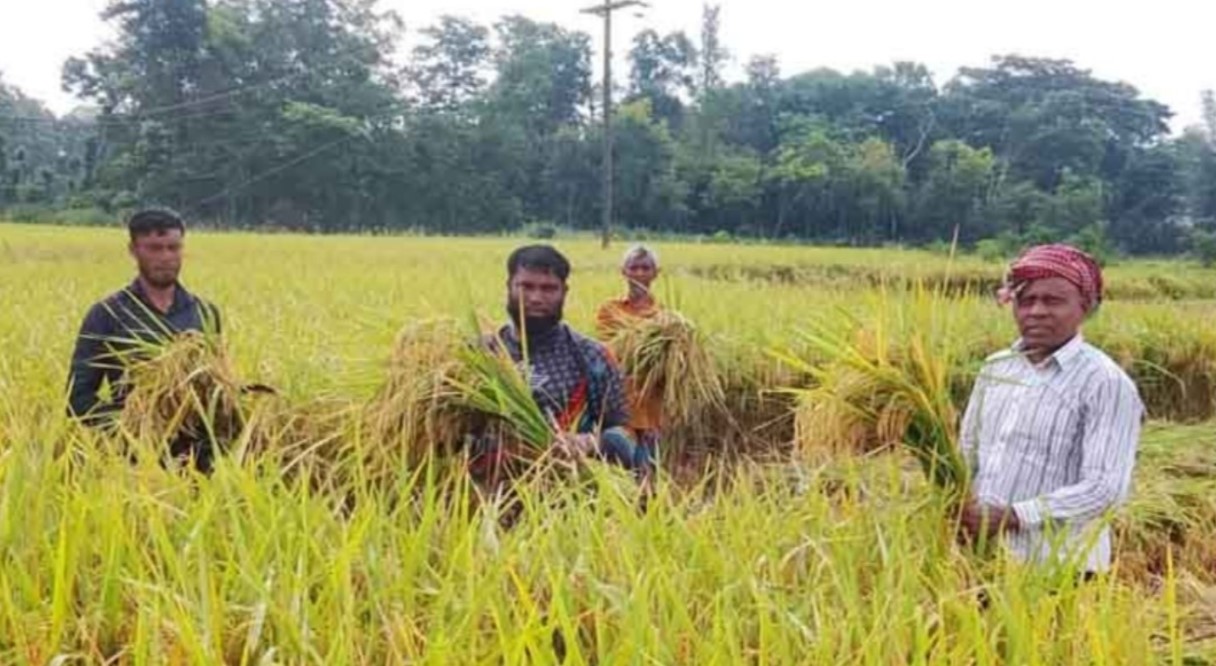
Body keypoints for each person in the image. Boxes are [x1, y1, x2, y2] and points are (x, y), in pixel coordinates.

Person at [958, 244, 1143, 577]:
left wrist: (1014, 516)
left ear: (1085, 307)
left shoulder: (1105, 382)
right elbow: (967, 453)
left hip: (1063, 570)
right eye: (1026, 300)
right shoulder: (995, 367)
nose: (1037, 311)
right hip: (986, 560)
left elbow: (1105, 489)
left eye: (1053, 301)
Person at [469, 245, 652, 491]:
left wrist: (588, 442)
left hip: (563, 495)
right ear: (509, 287)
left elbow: (627, 437)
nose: (536, 298)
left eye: (548, 288)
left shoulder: (591, 357)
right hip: (483, 495)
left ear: (564, 292)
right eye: (526, 286)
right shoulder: (480, 353)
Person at [66, 207, 223, 470]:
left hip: (199, 461)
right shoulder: (107, 314)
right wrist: (134, 425)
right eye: (154, 248)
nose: (166, 257)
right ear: (133, 250)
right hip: (134, 461)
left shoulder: (205, 313)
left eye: (173, 247)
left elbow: (216, 386)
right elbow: (77, 398)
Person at [595, 244, 664, 462]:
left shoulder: (665, 316)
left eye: (645, 268)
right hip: (618, 402)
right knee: (619, 460)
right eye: (634, 268)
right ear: (624, 271)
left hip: (651, 407)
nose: (639, 273)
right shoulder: (610, 310)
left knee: (648, 468)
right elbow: (608, 350)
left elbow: (667, 367)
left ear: (656, 273)